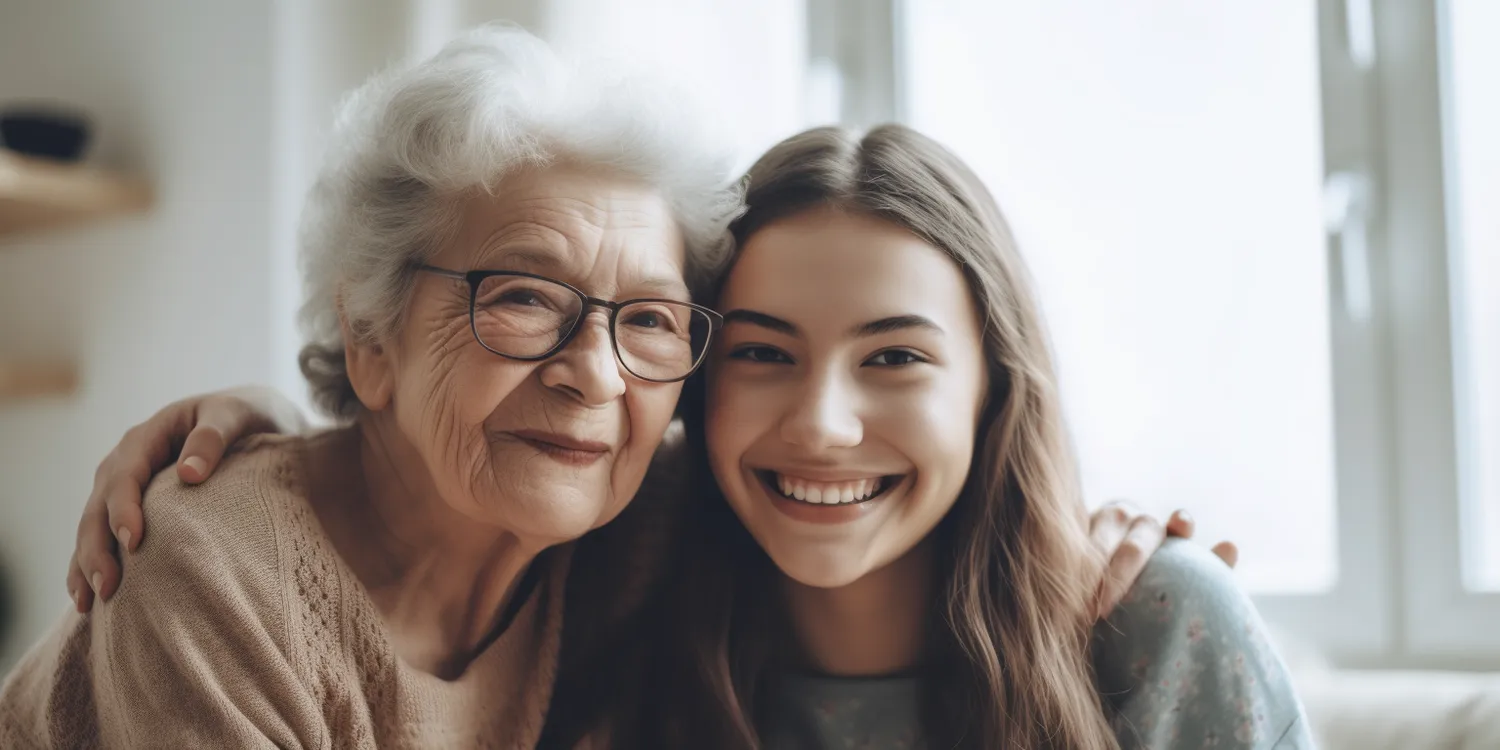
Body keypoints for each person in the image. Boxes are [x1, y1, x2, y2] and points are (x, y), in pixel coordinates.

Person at [1, 27, 1201, 750]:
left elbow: (849, 472)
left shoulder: (648, 527)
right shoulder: (214, 574)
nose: (593, 373)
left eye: (651, 320)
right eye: (522, 298)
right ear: (369, 335)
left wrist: (1093, 535)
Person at [630, 126, 1314, 748]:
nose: (821, 425)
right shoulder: (611, 624)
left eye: (895, 358)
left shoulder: (1159, 626)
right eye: (763, 353)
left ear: (994, 387)